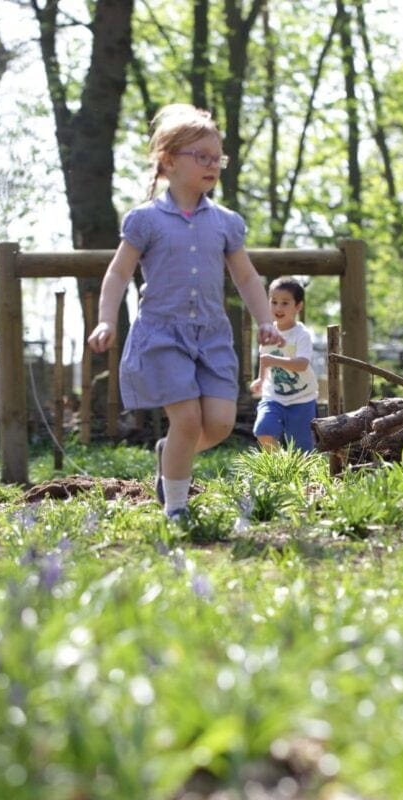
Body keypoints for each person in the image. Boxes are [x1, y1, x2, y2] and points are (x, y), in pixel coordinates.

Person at [87, 104, 282, 523]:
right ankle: (176, 507)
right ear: (169, 161)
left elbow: (247, 279)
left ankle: (169, 452)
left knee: (221, 423)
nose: (213, 165)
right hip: (162, 335)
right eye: (203, 157)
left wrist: (265, 319)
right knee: (188, 419)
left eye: (218, 158)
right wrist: (105, 318)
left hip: (212, 336)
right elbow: (119, 272)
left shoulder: (226, 223)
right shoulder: (146, 220)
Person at [248, 277, 318, 452]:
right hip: (274, 396)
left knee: (302, 449)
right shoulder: (268, 332)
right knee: (263, 430)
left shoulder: (302, 335)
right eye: (274, 302)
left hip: (302, 397)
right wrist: (260, 380)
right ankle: (280, 465)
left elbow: (302, 364)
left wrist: (274, 361)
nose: (278, 308)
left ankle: (300, 474)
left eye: (285, 303)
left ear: (298, 306)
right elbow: (265, 359)